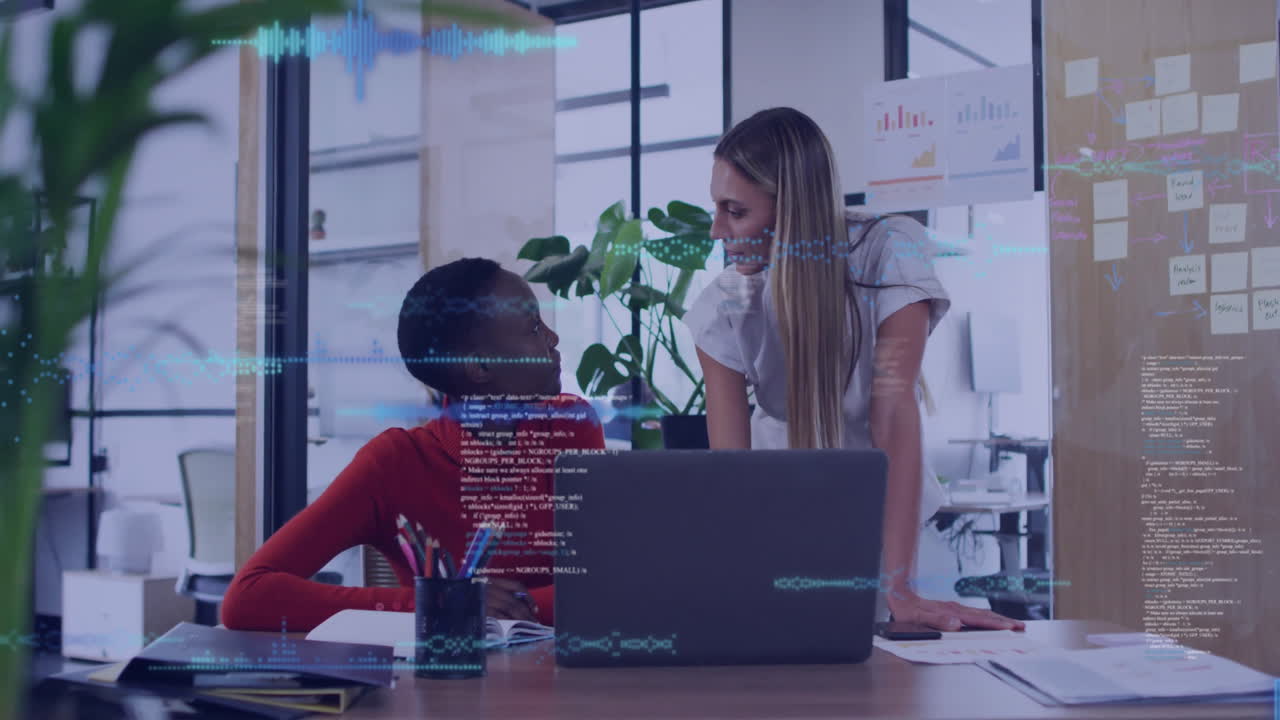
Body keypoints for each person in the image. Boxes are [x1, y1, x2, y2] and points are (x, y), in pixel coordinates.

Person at [683, 107, 1023, 632]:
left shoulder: (888, 255)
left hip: (881, 512)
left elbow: (891, 412)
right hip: (780, 510)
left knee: (888, 665)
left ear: (791, 210)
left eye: (735, 211)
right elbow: (734, 470)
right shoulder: (722, 307)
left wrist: (899, 588)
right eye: (717, 207)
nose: (715, 229)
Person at [221, 258, 603, 631]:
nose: (552, 339)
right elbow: (247, 597)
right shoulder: (394, 464)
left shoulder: (571, 427)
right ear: (481, 368)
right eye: (534, 327)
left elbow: (605, 583)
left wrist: (508, 607)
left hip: (570, 680)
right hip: (445, 687)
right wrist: (438, 602)